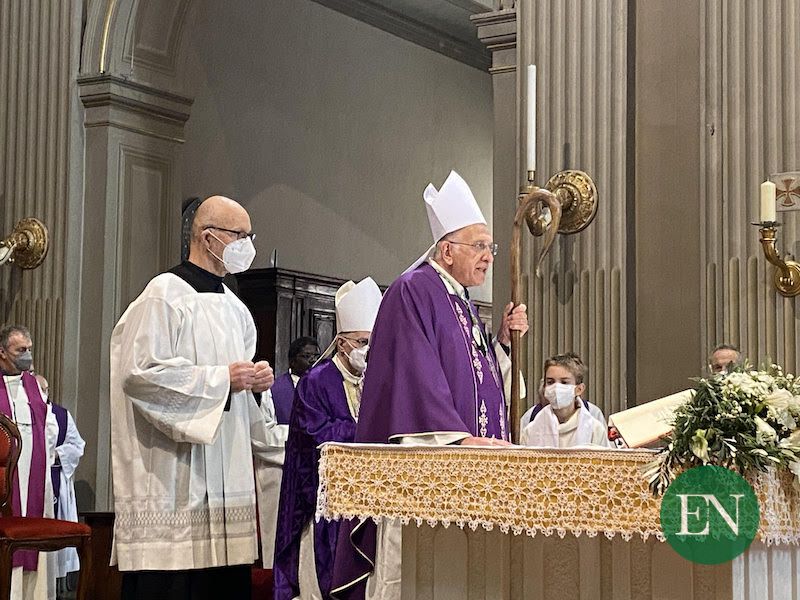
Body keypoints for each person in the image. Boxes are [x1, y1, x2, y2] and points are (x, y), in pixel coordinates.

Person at [331, 170, 528, 600]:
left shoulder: (461, 300)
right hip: (427, 471)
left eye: (490, 248)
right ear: (447, 249)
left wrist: (503, 345)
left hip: (469, 473)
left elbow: (475, 379)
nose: (489, 257)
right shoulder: (413, 291)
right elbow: (415, 378)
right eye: (479, 246)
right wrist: (458, 438)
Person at [109, 195, 284, 600]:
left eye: (250, 236)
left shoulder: (236, 309)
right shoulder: (162, 295)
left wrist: (256, 386)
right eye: (240, 235)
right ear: (208, 238)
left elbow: (240, 393)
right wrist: (222, 379)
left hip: (227, 480)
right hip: (173, 481)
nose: (248, 245)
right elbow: (140, 375)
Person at [274, 278, 382, 600]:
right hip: (325, 499)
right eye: (362, 342)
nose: (367, 350)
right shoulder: (316, 381)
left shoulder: (374, 380)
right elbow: (315, 433)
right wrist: (364, 433)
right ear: (342, 342)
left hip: (368, 495)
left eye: (372, 342)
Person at [0, 325, 58, 600]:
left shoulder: (35, 386)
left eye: (29, 349)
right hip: (4, 480)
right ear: (2, 352)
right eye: (20, 350)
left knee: (34, 532)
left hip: (34, 473)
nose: (27, 355)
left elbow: (50, 429)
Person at [35, 374, 86, 595]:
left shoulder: (61, 415)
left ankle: (59, 587)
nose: (43, 393)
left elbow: (77, 445)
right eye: (39, 389)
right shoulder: (25, 413)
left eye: (45, 389)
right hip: (32, 480)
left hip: (56, 478)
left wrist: (56, 454)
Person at [520, 353, 609, 448]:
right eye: (550, 382)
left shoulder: (595, 430)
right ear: (544, 387)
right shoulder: (531, 430)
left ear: (579, 389)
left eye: (564, 382)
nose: (556, 387)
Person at [271, 337, 320, 424]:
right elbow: (267, 427)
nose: (314, 360)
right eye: (307, 356)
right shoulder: (273, 390)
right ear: (292, 361)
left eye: (317, 357)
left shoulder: (327, 388)